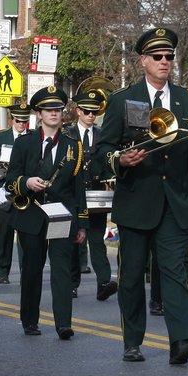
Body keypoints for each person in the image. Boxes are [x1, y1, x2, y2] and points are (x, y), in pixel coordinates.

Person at [93, 26, 188, 364]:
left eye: (169, 56)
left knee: (176, 272)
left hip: (175, 202)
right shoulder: (123, 100)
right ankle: (132, 340)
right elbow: (102, 152)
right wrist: (121, 160)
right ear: (143, 60)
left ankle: (182, 340)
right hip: (136, 201)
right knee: (130, 275)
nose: (164, 62)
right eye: (157, 57)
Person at [6, 86, 88, 338]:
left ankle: (63, 323)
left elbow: (78, 187)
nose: (54, 113)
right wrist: (27, 182)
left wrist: (82, 223)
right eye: (48, 109)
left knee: (62, 269)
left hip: (61, 215)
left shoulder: (73, 146)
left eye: (58, 109)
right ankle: (29, 320)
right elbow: (10, 179)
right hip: (31, 214)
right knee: (32, 269)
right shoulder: (24, 143)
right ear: (39, 113)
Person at [64, 86, 117, 302]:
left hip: (96, 195)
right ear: (78, 111)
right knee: (75, 240)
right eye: (86, 111)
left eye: (94, 112)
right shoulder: (68, 133)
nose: (91, 116)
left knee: (97, 240)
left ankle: (103, 282)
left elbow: (107, 163)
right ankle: (72, 284)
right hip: (74, 195)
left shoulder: (102, 135)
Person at [0, 102, 32, 284]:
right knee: (4, 233)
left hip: (25, 192)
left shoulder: (32, 137)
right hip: (5, 191)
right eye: (18, 121)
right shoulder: (1, 137)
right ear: (12, 119)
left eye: (24, 121)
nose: (22, 124)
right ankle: (2, 271)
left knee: (25, 234)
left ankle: (26, 270)